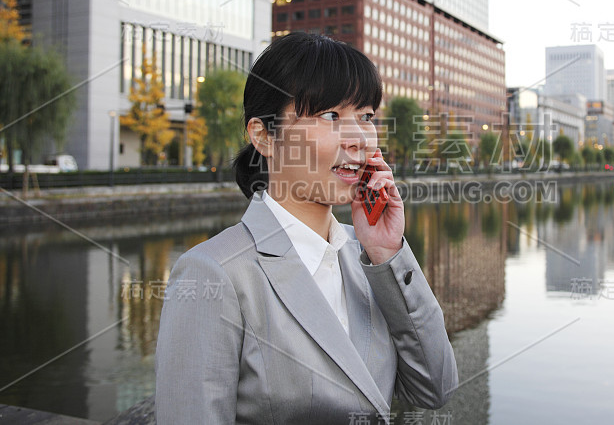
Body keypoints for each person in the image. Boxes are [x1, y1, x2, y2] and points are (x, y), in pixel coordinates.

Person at [155, 33, 458, 424]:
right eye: (331, 116)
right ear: (263, 135)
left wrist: (388, 253)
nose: (359, 138)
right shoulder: (215, 273)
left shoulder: (368, 259)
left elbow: (435, 388)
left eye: (366, 117)